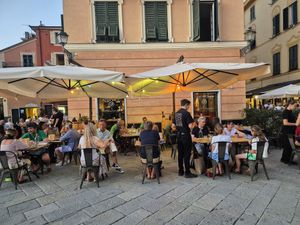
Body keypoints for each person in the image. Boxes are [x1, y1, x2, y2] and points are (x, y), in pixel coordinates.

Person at [174, 99, 197, 178]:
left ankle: (180, 171)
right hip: (186, 136)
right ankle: (187, 172)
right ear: (186, 105)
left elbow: (174, 126)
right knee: (187, 154)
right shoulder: (186, 113)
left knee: (180, 154)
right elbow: (190, 126)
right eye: (189, 105)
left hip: (179, 136)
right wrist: (194, 124)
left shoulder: (177, 113)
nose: (189, 107)